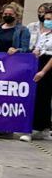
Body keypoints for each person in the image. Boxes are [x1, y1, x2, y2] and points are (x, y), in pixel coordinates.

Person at [31, 7, 52, 141]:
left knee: (46, 97)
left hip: (49, 66)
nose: (47, 21)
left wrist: (44, 71)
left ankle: (44, 127)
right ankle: (41, 127)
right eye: (46, 19)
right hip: (41, 62)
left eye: (49, 19)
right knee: (40, 97)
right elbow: (38, 49)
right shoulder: (44, 34)